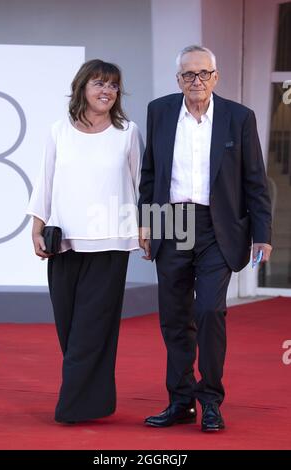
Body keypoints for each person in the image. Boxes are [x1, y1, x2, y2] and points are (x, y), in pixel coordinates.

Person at [138, 45, 272, 432]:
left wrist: (261, 232)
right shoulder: (159, 111)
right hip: (170, 220)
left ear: (215, 76)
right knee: (174, 318)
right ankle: (180, 401)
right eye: (187, 75)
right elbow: (150, 173)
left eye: (203, 74)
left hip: (219, 226)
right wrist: (147, 222)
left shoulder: (238, 117)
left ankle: (210, 399)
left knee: (209, 312)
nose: (195, 81)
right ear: (177, 78)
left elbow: (255, 180)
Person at [27, 59, 142, 424]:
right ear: (82, 87)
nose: (106, 91)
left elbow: (144, 185)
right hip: (63, 243)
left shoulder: (127, 132)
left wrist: (149, 231)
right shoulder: (58, 131)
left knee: (92, 330)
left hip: (110, 244)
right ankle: (96, 400)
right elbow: (44, 182)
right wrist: (36, 227)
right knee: (69, 328)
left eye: (113, 85)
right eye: (99, 83)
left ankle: (73, 408)